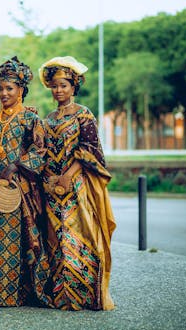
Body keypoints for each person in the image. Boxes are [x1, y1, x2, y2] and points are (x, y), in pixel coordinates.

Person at [37, 56, 116, 310]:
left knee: (79, 236)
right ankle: (60, 295)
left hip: (76, 188)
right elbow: (43, 152)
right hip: (52, 190)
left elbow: (90, 150)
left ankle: (82, 295)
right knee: (55, 239)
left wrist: (68, 176)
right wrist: (49, 179)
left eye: (64, 85)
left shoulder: (84, 114)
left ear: (74, 87)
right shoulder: (48, 119)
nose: (59, 90)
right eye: (55, 85)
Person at [0, 56, 48, 307]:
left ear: (21, 90)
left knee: (17, 241)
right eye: (1, 88)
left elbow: (40, 151)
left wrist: (16, 165)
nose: (3, 93)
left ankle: (15, 294)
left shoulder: (31, 119)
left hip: (17, 188)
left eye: (9, 88)